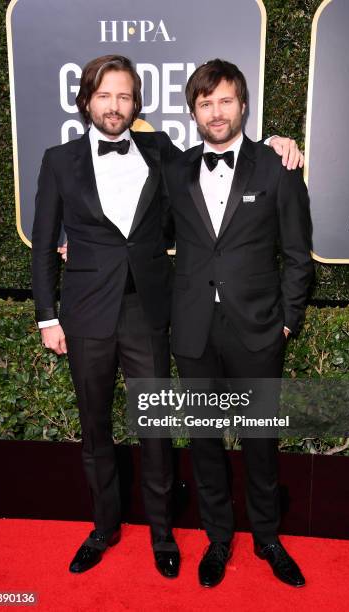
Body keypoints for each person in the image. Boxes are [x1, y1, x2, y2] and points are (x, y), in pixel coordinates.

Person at [32, 53, 303, 579]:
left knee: (157, 430)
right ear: (86, 100)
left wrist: (279, 142)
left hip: (150, 313)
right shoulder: (58, 160)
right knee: (96, 431)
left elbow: (221, 180)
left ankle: (163, 535)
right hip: (86, 312)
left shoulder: (162, 153)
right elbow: (43, 245)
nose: (115, 106)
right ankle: (103, 529)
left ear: (137, 105)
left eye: (125, 97)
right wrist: (47, 315)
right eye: (104, 95)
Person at [164, 59, 313, 588]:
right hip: (195, 331)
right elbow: (139, 233)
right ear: (194, 113)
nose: (215, 112)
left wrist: (288, 322)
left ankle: (268, 538)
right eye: (205, 103)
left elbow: (298, 254)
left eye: (225, 100)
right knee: (204, 440)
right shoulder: (176, 171)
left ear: (242, 105)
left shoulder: (277, 166)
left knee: (259, 442)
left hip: (258, 331)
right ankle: (218, 538)